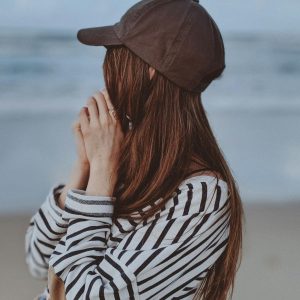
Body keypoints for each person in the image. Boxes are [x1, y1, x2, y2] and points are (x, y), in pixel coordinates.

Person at [25, 0, 244, 299]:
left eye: (116, 53)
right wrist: (84, 168)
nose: (107, 68)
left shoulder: (202, 196)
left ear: (150, 70)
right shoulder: (126, 156)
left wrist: (102, 173)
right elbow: (37, 261)